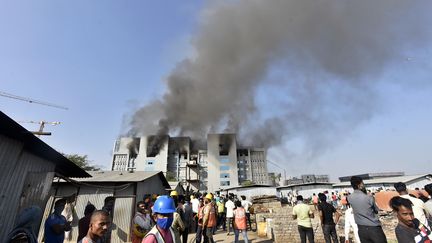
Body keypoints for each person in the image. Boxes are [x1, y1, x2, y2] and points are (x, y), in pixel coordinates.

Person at [348, 176, 386, 243]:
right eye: (362, 183)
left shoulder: (349, 198)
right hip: (374, 228)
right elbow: (376, 211)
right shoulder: (368, 197)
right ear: (359, 185)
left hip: (361, 229)